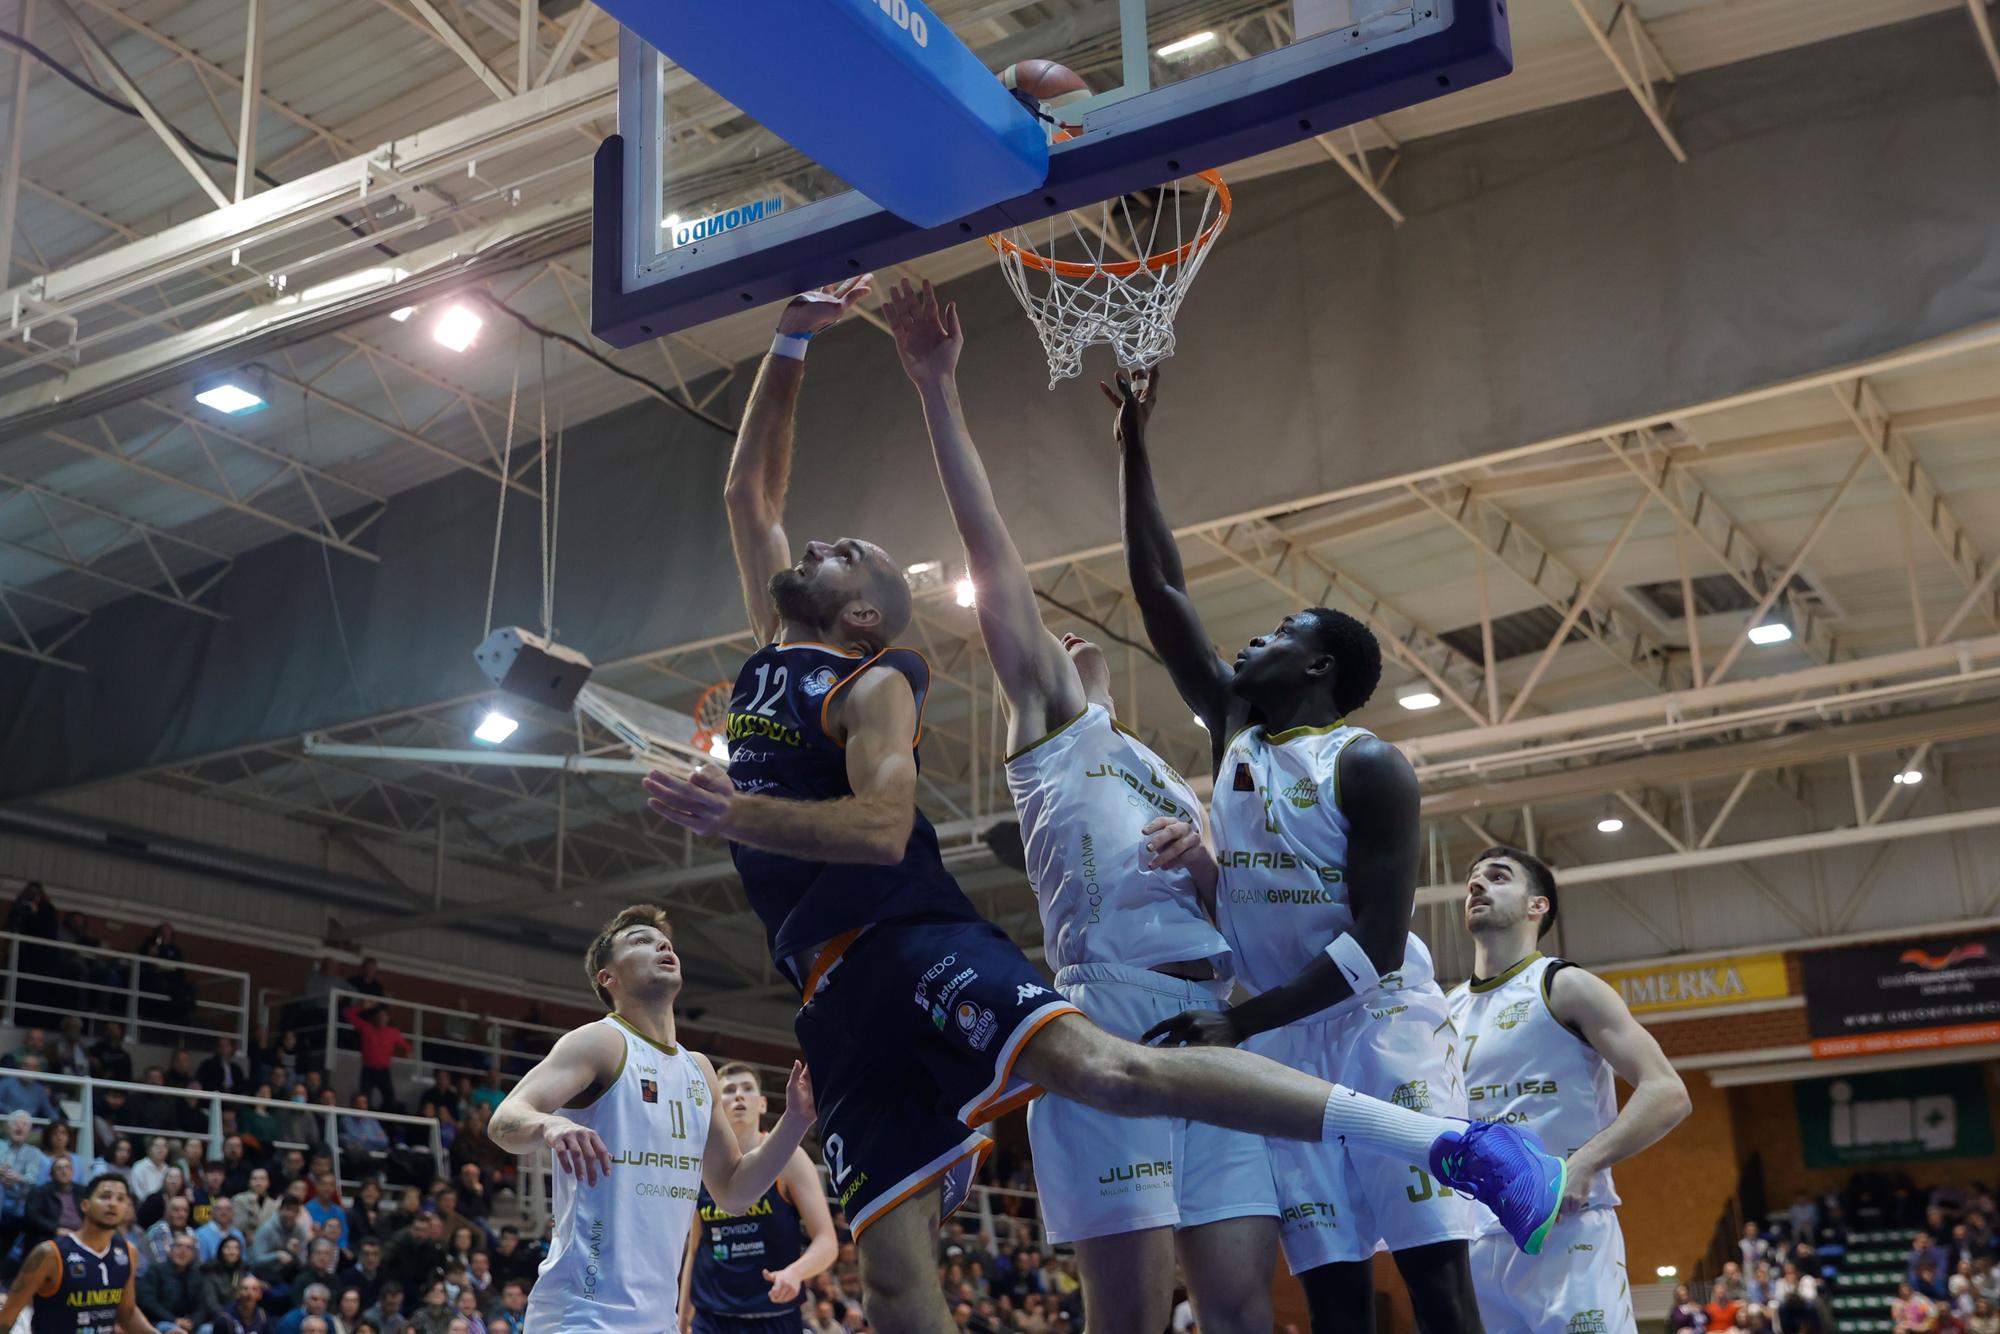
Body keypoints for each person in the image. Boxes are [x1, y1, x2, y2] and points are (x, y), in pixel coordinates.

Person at [643, 279, 1561, 1334]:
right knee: (1019, 1283)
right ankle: (1447, 1145)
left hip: (1206, 1007)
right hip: (1061, 988)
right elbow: (1002, 561)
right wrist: (916, 379)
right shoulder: (1044, 716)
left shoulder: (1179, 770)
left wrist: (1214, 865)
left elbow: (1266, 903)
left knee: (1247, 1303)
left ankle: (1458, 1145)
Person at [1110, 358, 1535, 1334]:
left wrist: (1237, 1021)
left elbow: (1375, 948)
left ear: (1315, 664)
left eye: (1270, 632)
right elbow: (1158, 586)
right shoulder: (1234, 727)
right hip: (1283, 1036)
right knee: (1334, 1291)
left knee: (1433, 1280)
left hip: (1379, 1024)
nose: (1244, 644)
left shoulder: (1369, 765)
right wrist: (1134, 447)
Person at [488, 907, 819, 1334]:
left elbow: (734, 1193)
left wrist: (796, 1120)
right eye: (639, 941)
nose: (662, 945)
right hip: (582, 1316)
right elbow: (504, 1121)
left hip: (657, 1321)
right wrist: (550, 1125)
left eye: (663, 941)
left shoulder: (699, 1070)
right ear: (607, 978)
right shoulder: (601, 1042)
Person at [1446, 847, 1692, 1334]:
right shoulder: (1444, 1010)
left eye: (1497, 877)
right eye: (1473, 879)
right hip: (1473, 1243)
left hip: (1567, 1233)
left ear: (1537, 905)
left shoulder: (1565, 986)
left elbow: (1667, 1092)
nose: (1476, 886)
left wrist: (1583, 1163)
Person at [680, 1062, 839, 1334]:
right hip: (711, 1318)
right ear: (716, 1105)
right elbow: (695, 1249)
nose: (739, 1095)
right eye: (729, 1090)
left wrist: (795, 1273)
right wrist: (683, 1320)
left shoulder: (790, 1159)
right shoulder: (702, 1162)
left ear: (763, 1104)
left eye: (747, 1088)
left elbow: (827, 1242)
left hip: (772, 1317)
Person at [0, 1172, 159, 1334]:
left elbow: (128, 1315)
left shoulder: (128, 1252)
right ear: (85, 1205)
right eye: (105, 1196)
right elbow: (7, 1317)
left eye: (120, 1199)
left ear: (126, 1209)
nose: (113, 1204)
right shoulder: (50, 1253)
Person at [343, 1005, 410, 1113]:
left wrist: (405, 1053)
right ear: (374, 1017)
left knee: (390, 1099)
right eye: (379, 1016)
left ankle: (387, 1125)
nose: (381, 1018)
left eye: (384, 1016)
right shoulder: (366, 1028)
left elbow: (406, 1046)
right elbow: (348, 1014)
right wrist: (363, 1006)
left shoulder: (393, 1032)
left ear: (388, 1018)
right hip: (368, 1070)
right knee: (363, 1099)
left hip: (383, 1071)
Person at [139, 1232, 204, 1332]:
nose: (183, 1251)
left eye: (188, 1248)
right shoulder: (156, 1271)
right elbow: (148, 1302)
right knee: (174, 1330)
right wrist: (174, 1320)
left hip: (189, 1323)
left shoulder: (197, 1274)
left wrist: (193, 1321)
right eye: (179, 1246)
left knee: (207, 1329)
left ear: (194, 1254)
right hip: (160, 1321)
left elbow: (203, 1305)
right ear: (170, 1250)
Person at [25, 1153, 87, 1253]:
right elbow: (32, 1217)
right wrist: (55, 1229)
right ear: (51, 1174)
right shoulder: (40, 1191)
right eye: (59, 1168)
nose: (64, 1171)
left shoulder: (82, 1191)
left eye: (67, 1167)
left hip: (81, 1235)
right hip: (52, 1236)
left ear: (72, 1171)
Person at [196, 1196, 246, 1264]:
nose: (224, 1212)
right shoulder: (200, 1235)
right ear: (212, 1212)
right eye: (219, 1209)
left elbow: (243, 1262)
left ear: (233, 1213)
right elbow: (201, 1263)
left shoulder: (238, 1235)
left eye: (228, 1209)